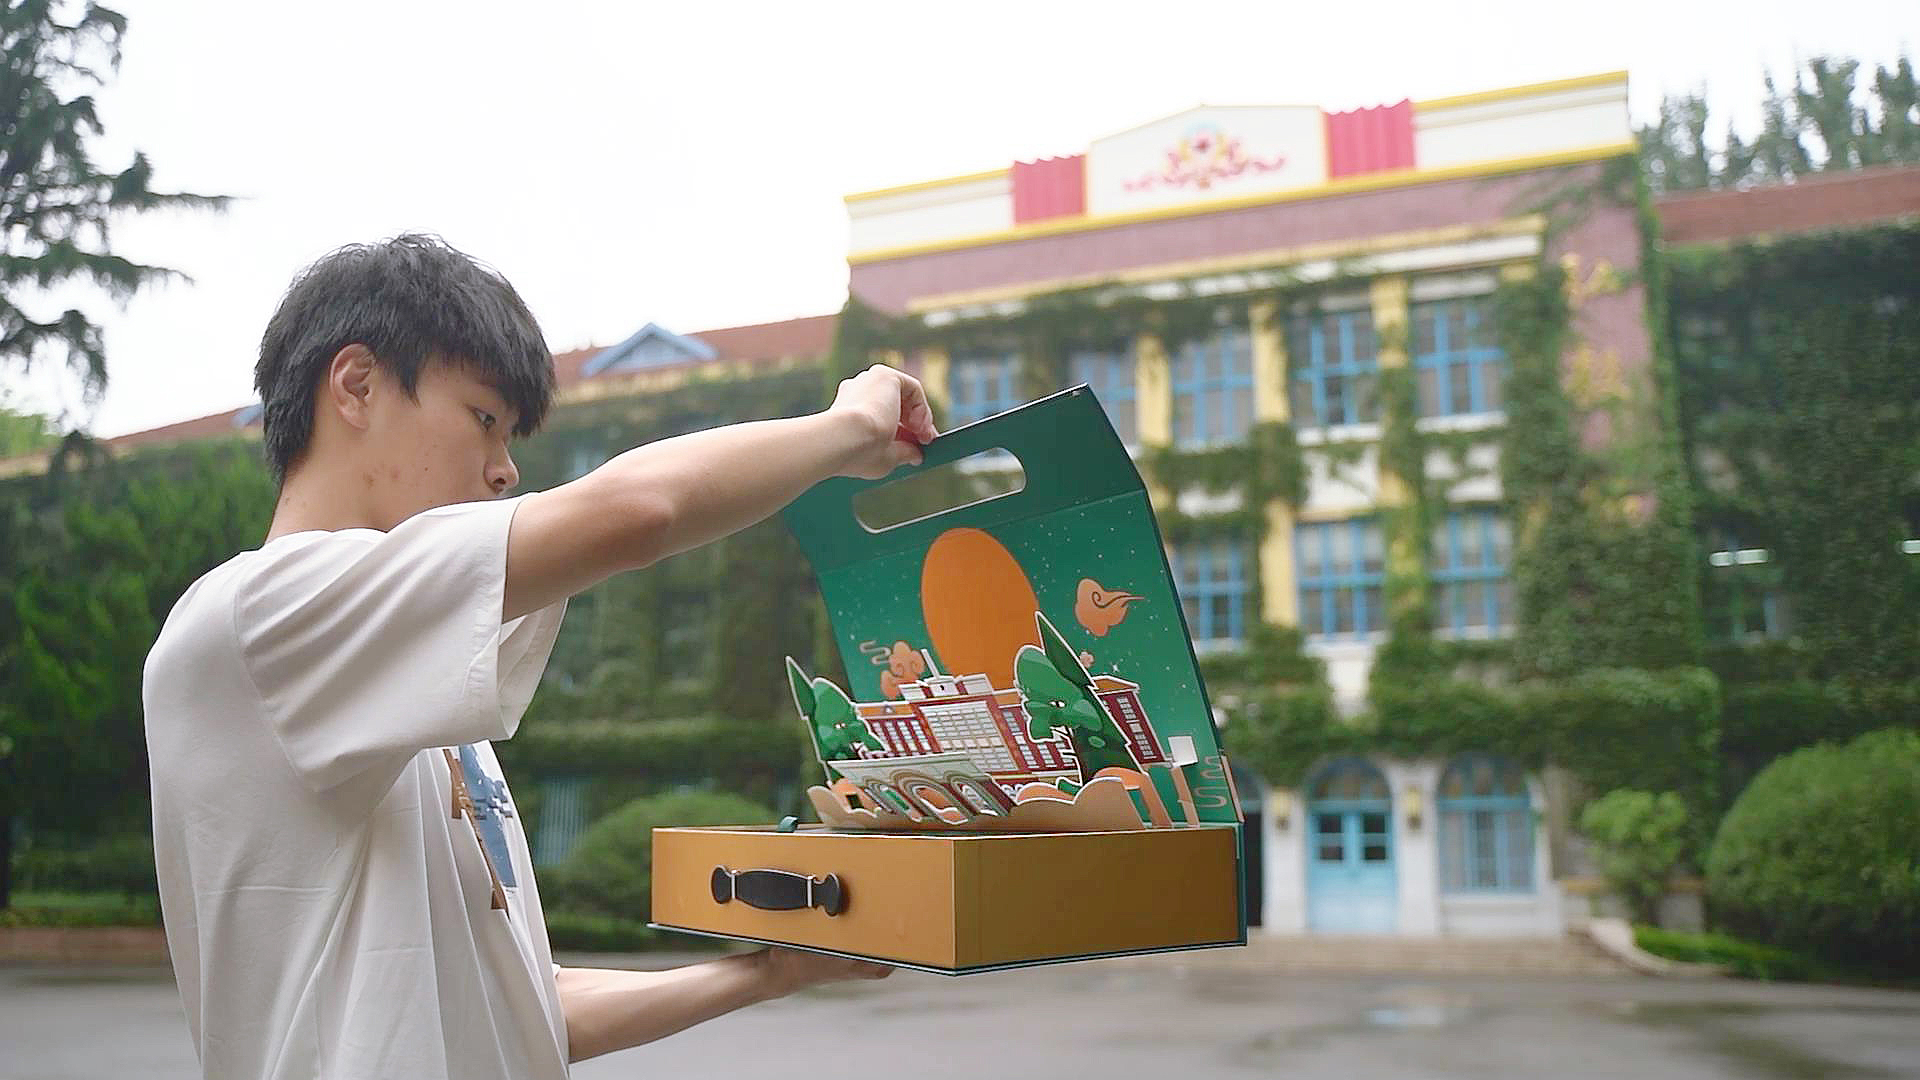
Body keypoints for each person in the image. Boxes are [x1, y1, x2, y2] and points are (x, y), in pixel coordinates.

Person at [142, 234, 933, 1079]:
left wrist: (772, 972)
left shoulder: (420, 717)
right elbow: (637, 512)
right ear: (357, 386)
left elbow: (523, 1004)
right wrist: (848, 429)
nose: (505, 470)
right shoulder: (260, 617)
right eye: (485, 420)